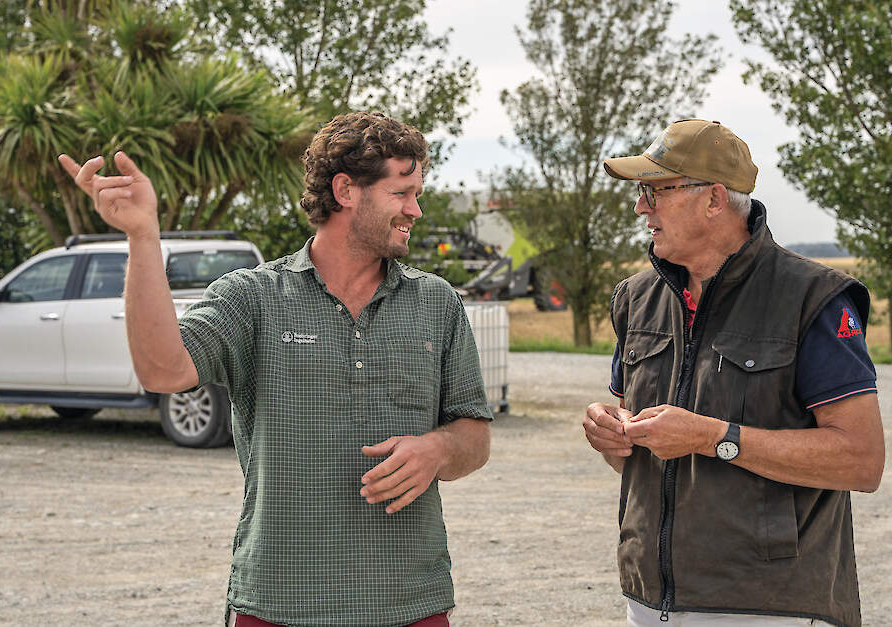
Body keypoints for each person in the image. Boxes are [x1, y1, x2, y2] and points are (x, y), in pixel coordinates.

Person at [58, 111, 492, 627]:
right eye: (402, 193)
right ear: (346, 190)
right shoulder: (255, 297)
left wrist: (440, 448)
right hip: (277, 603)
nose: (415, 210)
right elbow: (162, 371)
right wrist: (142, 237)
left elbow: (475, 435)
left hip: (410, 603)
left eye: (416, 193)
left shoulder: (436, 303)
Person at [583, 119, 884, 627]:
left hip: (771, 607)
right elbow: (643, 458)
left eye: (655, 192)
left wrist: (714, 437)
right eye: (641, 193)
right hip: (647, 602)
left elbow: (861, 461)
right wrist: (613, 434)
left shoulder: (812, 299)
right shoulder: (635, 299)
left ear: (715, 199)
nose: (641, 208)